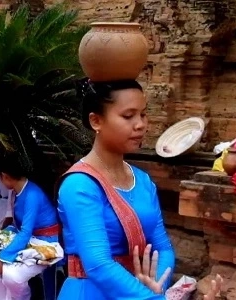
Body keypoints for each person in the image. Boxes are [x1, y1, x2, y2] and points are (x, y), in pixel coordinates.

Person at [56, 79, 175, 299]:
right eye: (128, 116)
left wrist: (155, 285)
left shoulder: (143, 181)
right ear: (96, 120)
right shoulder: (79, 185)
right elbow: (98, 264)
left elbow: (164, 248)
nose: (140, 124)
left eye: (143, 114)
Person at [0, 153, 60, 300]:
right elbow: (16, 226)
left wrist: (3, 257)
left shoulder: (32, 194)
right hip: (28, 241)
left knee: (11, 276)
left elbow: (26, 231)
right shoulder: (15, 191)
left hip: (45, 243)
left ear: (5, 176)